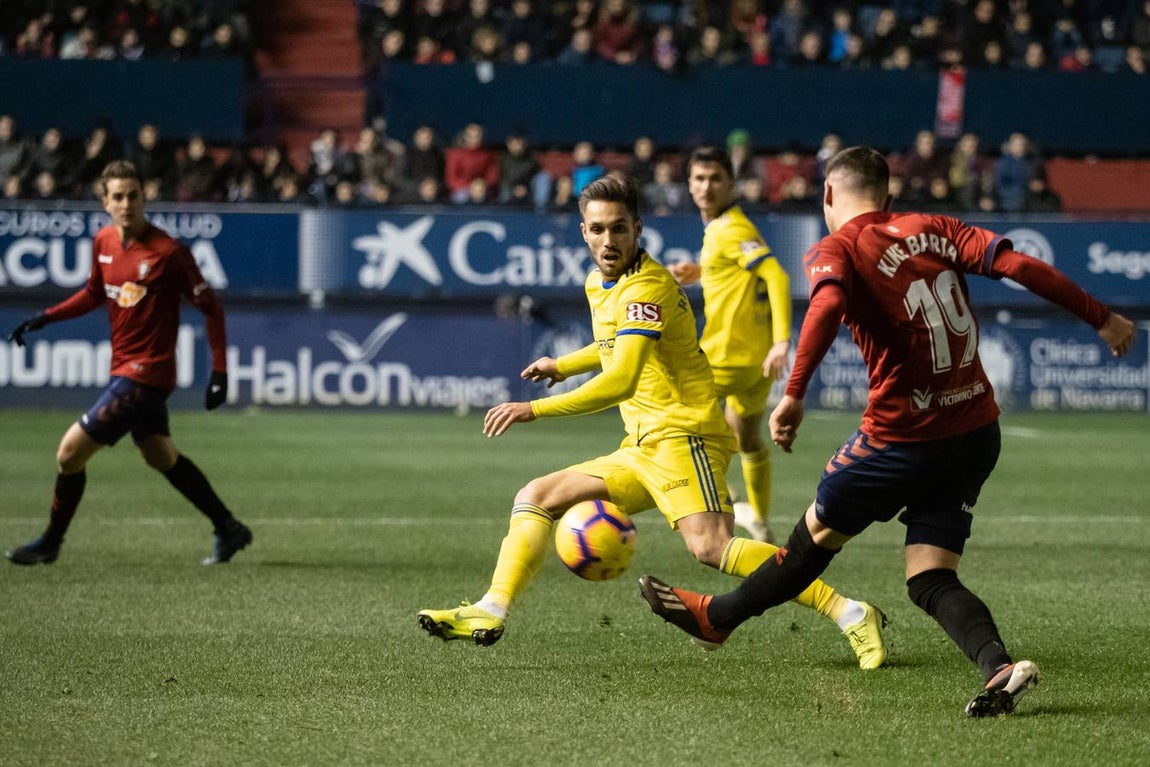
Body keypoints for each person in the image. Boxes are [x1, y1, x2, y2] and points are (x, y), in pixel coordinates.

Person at [639, 146, 1137, 717]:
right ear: (889, 196)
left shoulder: (838, 246)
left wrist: (794, 392)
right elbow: (1019, 266)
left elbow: (828, 302)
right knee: (930, 577)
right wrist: (1102, 317)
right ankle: (999, 668)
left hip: (900, 439)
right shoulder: (937, 227)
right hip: (975, 431)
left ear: (828, 194)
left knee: (812, 539)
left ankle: (717, 618)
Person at [417, 176, 888, 669]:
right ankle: (491, 608)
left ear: (637, 228)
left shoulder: (648, 288)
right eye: (598, 229)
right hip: (642, 445)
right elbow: (612, 344)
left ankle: (850, 611)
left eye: (619, 228)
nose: (609, 240)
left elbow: (621, 379)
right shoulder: (600, 283)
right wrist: (563, 364)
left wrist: (534, 408)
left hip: (687, 437)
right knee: (535, 497)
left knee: (712, 547)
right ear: (583, 231)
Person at [5, 160, 252, 567]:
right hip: (125, 368)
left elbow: (211, 308)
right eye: (117, 197)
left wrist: (220, 371)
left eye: (133, 196)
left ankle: (50, 542)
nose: (126, 204)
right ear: (104, 202)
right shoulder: (103, 241)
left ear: (144, 197)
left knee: (69, 454)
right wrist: (46, 317)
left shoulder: (169, 253)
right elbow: (93, 293)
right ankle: (229, 528)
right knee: (160, 455)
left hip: (148, 373)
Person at [669, 147, 792, 544]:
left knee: (669, 424)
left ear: (731, 184)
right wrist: (701, 272)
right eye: (699, 178)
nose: (706, 187)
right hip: (755, 363)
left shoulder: (730, 229)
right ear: (690, 185)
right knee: (748, 440)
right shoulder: (727, 228)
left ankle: (719, 500)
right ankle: (759, 521)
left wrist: (783, 340)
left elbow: (776, 276)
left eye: (715, 179)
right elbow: (742, 273)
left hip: (725, 357)